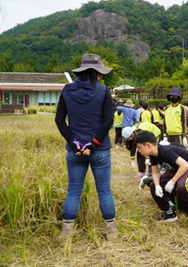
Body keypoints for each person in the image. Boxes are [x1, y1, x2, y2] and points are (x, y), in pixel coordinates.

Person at [55, 53, 117, 240]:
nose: (102, 77)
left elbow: (59, 120)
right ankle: (111, 232)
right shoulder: (103, 91)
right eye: (101, 73)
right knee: (104, 190)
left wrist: (75, 144)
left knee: (73, 190)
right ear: (95, 73)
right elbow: (108, 121)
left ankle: (67, 234)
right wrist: (94, 143)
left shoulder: (67, 90)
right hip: (100, 151)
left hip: (75, 152)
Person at [134, 131, 188, 230]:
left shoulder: (165, 151)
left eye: (139, 148)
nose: (139, 151)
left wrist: (172, 181)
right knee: (152, 185)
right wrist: (157, 186)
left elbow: (185, 165)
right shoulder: (153, 156)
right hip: (177, 168)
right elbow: (155, 173)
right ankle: (169, 214)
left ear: (148, 145)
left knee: (182, 185)